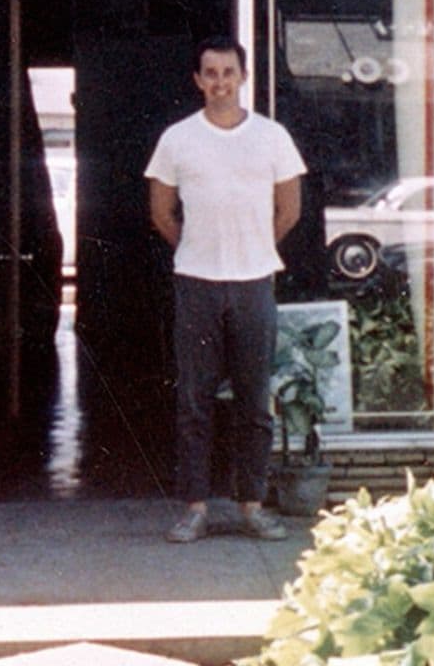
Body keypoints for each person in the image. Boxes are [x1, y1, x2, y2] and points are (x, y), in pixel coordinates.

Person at [146, 34, 306, 543]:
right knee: (194, 400)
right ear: (198, 80)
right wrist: (198, 248)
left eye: (228, 72)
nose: (219, 82)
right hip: (197, 284)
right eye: (209, 73)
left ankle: (252, 505)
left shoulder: (272, 137)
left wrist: (252, 247)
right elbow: (161, 213)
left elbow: (289, 211)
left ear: (243, 77)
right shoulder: (177, 139)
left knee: (254, 402)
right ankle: (195, 507)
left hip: (255, 281)